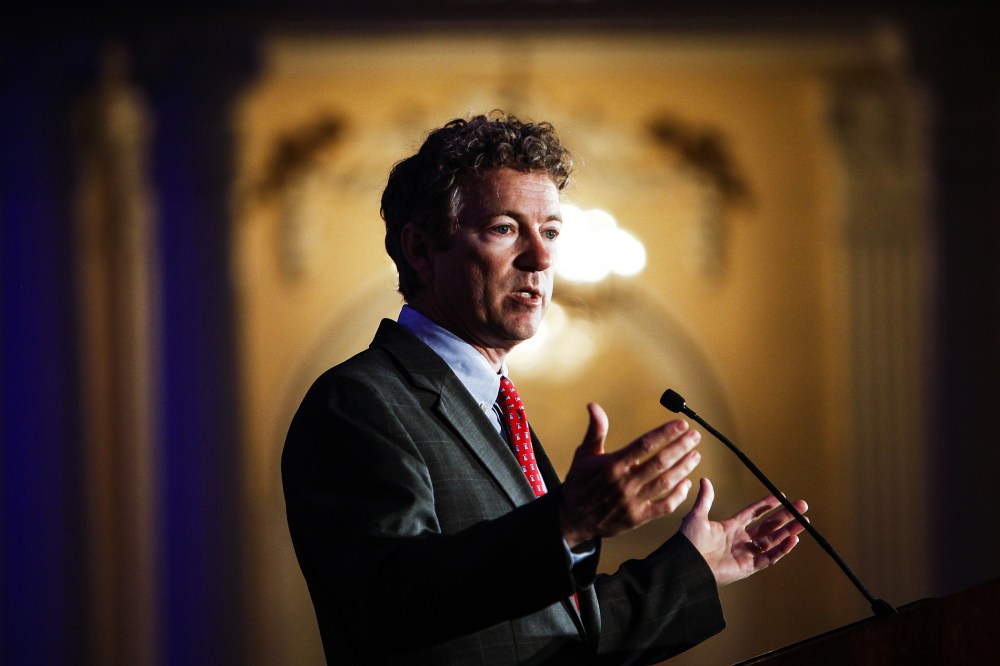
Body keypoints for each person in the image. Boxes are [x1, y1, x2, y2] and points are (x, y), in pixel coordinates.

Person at [281, 111, 808, 665]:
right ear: (421, 250)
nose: (540, 258)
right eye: (504, 229)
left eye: (551, 231)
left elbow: (556, 636)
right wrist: (570, 523)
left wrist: (695, 569)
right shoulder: (358, 402)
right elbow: (392, 602)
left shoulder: (492, 406)